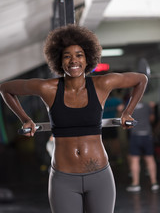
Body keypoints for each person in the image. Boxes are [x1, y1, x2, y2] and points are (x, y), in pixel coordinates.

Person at [0, 24, 148, 213]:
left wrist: (128, 111)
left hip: (100, 176)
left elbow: (141, 79)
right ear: (59, 61)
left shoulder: (102, 84)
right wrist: (25, 118)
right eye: (67, 56)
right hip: (64, 178)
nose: (73, 60)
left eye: (79, 55)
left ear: (87, 59)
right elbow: (6, 89)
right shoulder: (49, 88)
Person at [126, 101, 159, 193]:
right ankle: (154, 183)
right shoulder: (147, 105)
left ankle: (135, 184)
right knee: (150, 158)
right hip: (147, 135)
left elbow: (125, 121)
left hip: (135, 135)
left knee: (135, 159)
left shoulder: (129, 106)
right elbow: (152, 118)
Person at [102, 92, 124, 164]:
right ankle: (118, 157)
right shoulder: (116, 101)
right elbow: (121, 107)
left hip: (103, 124)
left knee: (103, 142)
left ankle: (104, 159)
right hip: (112, 123)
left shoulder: (100, 100)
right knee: (114, 141)